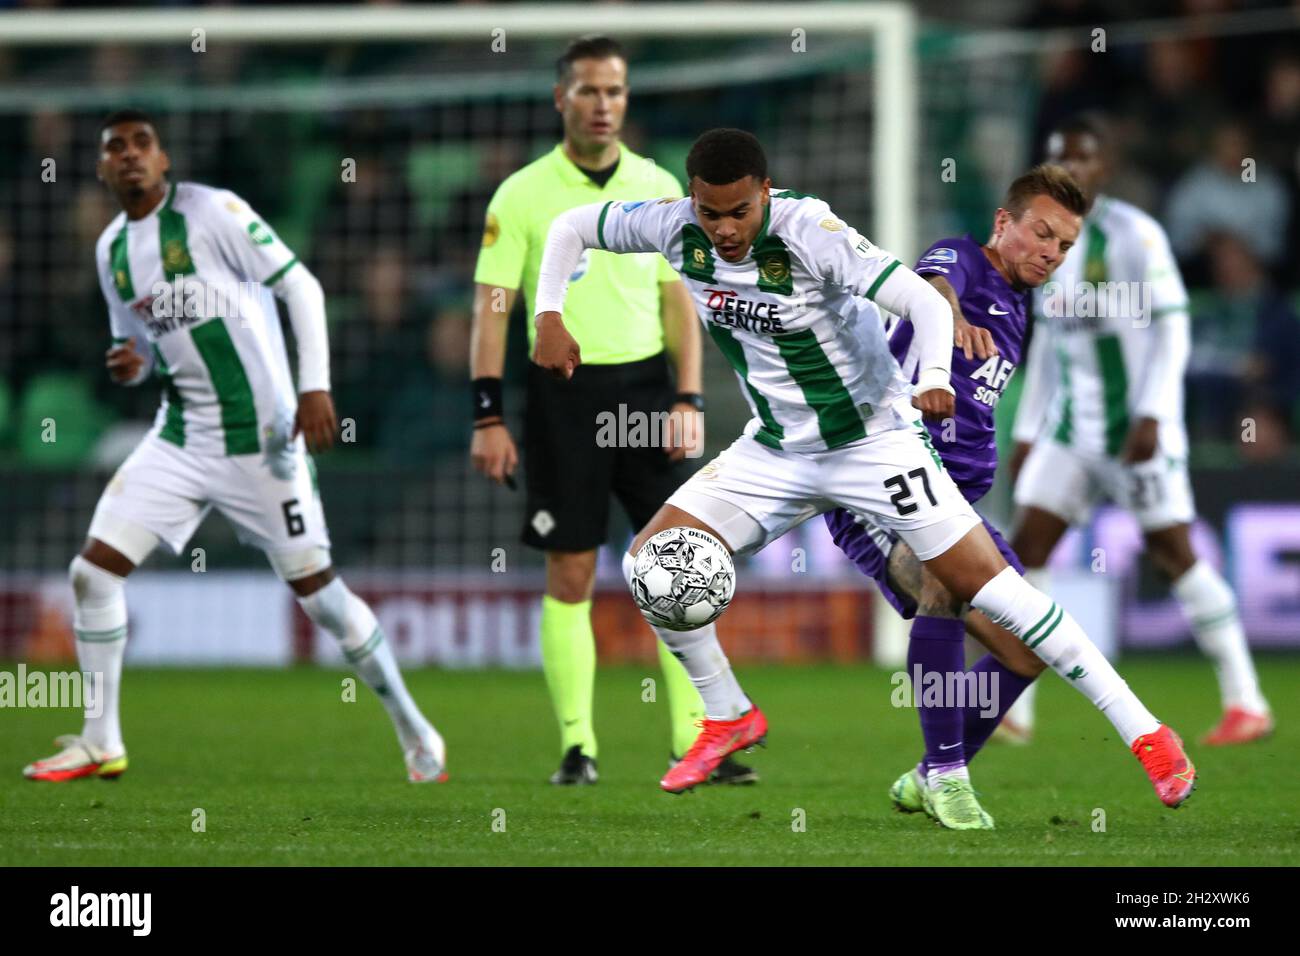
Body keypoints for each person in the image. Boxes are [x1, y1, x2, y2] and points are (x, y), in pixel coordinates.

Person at [533, 128, 1196, 825]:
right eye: (710, 213)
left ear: (765, 193)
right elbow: (573, 226)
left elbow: (921, 298)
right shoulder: (670, 226)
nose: (725, 230)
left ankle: (1146, 734)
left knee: (998, 594)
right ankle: (727, 714)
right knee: (651, 564)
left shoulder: (811, 229)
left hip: (872, 444)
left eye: (739, 212)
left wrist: (933, 377)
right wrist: (550, 313)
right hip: (776, 450)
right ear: (691, 200)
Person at [23, 110, 447, 784]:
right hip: (183, 434)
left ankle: (412, 723)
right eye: (115, 149)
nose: (130, 156)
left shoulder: (214, 211)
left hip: (264, 439)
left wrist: (315, 388)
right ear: (103, 169)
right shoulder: (110, 253)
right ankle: (102, 739)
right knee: (92, 573)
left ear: (164, 161)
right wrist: (130, 361)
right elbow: (136, 339)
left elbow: (300, 285)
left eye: (143, 144)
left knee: (319, 596)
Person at [470, 37, 755, 785]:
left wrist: (689, 396)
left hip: (649, 394)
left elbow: (678, 301)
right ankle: (578, 746)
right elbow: (494, 309)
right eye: (590, 91)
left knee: (675, 564)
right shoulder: (522, 194)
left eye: (617, 91)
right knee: (570, 572)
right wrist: (486, 415)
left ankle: (700, 741)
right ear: (560, 98)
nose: (604, 105)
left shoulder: (661, 184)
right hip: (563, 398)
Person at [824, 166, 1093, 827]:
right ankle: (948, 777)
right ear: (1005, 223)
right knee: (943, 591)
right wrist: (950, 317)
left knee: (1028, 650)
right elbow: (933, 285)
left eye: (1063, 245)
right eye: (1040, 233)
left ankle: (927, 775)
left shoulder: (1023, 308)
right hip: (887, 487)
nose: (1050, 254)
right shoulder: (963, 260)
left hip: (956, 499)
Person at [1009, 113, 1272, 746]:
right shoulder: (1046, 240)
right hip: (1072, 433)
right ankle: (1014, 707)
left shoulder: (1135, 235)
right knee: (1024, 554)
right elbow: (1049, 343)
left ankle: (1246, 701)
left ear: (1107, 165)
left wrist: (1154, 412)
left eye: (1083, 158)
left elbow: (1173, 327)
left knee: (1174, 554)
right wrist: (1026, 428)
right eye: (1060, 157)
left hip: (1136, 432)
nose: (1071, 168)